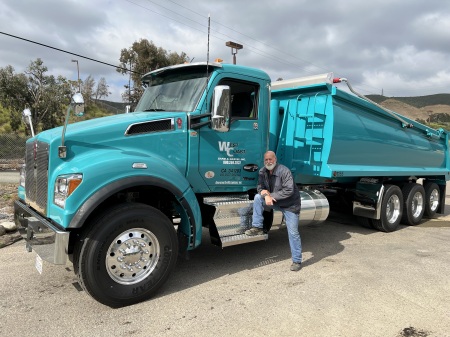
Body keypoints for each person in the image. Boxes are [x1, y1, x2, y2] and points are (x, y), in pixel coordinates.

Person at [245, 151, 302, 271]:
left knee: (293, 233)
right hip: (274, 201)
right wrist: (264, 194)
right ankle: (258, 227)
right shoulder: (262, 171)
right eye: (266, 160)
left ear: (275, 159)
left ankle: (297, 261)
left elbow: (289, 190)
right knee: (257, 198)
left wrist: (270, 196)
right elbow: (260, 187)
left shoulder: (284, 171)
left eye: (270, 159)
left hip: (290, 204)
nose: (268, 162)